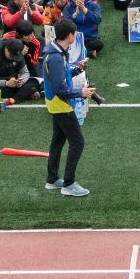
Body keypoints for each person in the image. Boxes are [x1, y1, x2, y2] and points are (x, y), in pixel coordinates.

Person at [43, 19, 95, 196]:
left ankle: (52, 179)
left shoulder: (56, 51)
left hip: (55, 104)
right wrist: (81, 92)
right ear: (70, 35)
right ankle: (68, 184)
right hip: (62, 105)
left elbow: (61, 77)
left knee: (58, 141)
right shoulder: (57, 57)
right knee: (78, 142)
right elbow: (60, 88)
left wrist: (76, 70)